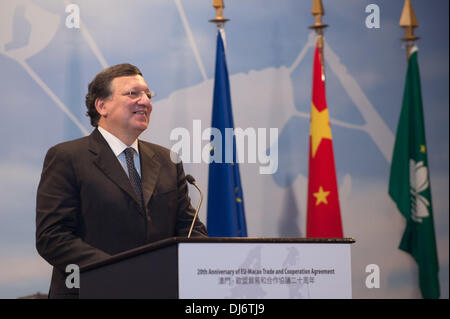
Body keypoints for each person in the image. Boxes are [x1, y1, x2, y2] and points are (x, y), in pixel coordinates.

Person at [35, 63, 208, 299]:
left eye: (148, 94)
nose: (145, 101)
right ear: (101, 105)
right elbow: (52, 237)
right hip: (91, 292)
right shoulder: (68, 157)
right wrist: (120, 271)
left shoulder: (168, 161)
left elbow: (190, 230)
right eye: (132, 94)